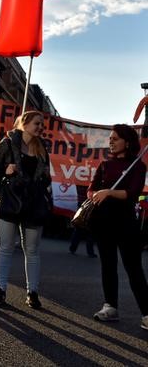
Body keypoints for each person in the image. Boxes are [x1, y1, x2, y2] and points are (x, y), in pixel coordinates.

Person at [0, 110, 51, 308]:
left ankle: (33, 292)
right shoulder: (8, 143)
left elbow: (47, 177)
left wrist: (45, 175)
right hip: (10, 200)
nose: (40, 127)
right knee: (5, 247)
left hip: (34, 202)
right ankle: (0, 290)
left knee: (32, 250)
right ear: (25, 123)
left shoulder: (42, 147)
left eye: (42, 124)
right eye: (37, 123)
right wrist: (5, 170)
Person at [88, 124, 148, 329]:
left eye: (115, 138)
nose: (111, 141)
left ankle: (147, 313)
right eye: (110, 138)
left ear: (127, 142)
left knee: (133, 268)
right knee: (108, 265)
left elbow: (132, 194)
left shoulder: (138, 166)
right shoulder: (104, 165)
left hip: (126, 224)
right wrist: (95, 194)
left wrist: (109, 193)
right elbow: (92, 189)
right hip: (103, 222)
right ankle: (110, 307)